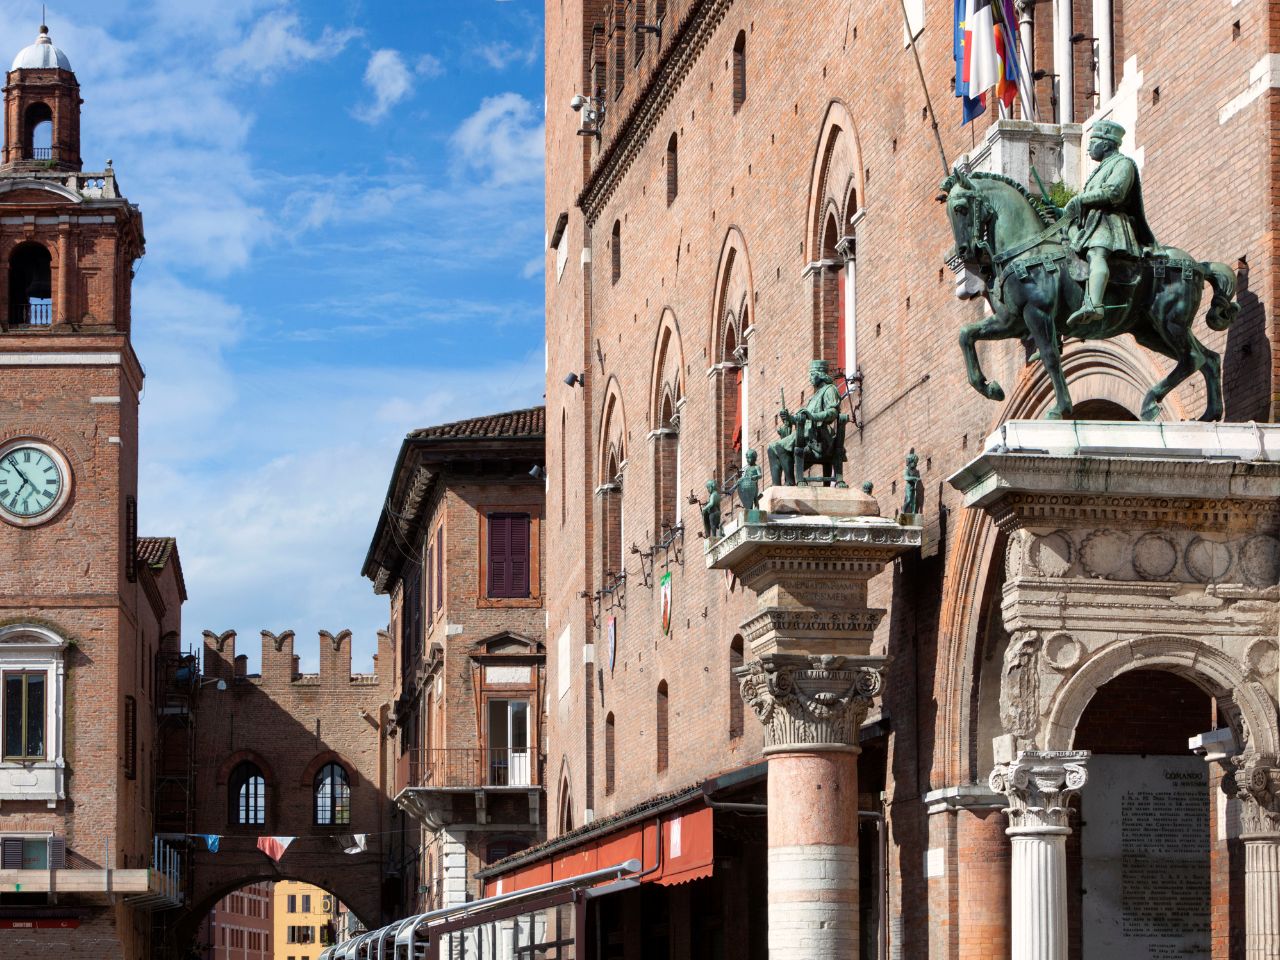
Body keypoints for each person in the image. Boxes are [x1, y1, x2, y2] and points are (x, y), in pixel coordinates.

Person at [1063, 119, 1155, 330]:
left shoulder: (1123, 164)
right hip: (1092, 223)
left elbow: (1115, 192)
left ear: (1105, 144)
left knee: (1097, 254)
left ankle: (1095, 305)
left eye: (1092, 141)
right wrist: (1062, 211)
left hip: (1110, 223)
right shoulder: (1100, 170)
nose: (1088, 148)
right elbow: (1086, 201)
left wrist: (1080, 200)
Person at [767, 360, 847, 486]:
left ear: (820, 374)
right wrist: (790, 418)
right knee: (771, 449)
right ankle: (777, 488)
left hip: (819, 436)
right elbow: (804, 419)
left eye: (811, 374)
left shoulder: (829, 390)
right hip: (807, 433)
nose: (809, 378)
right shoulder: (815, 396)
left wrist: (812, 416)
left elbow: (832, 413)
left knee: (779, 447)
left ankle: (790, 484)